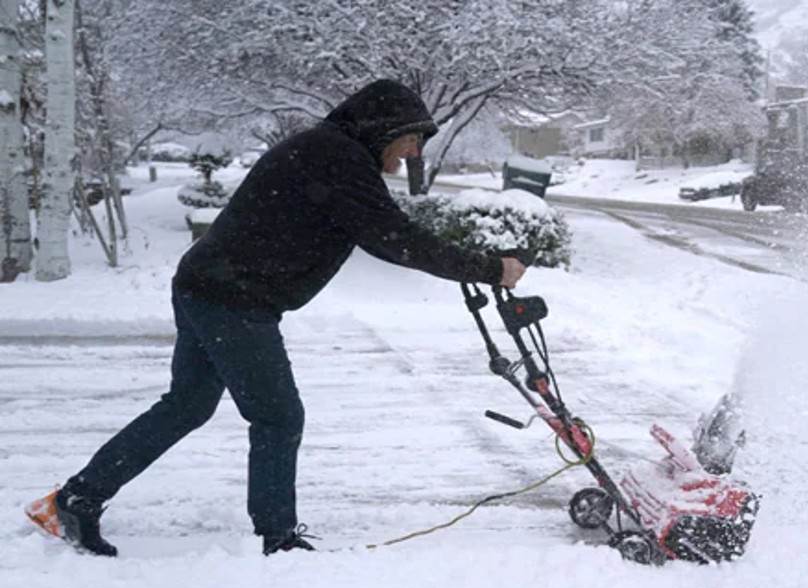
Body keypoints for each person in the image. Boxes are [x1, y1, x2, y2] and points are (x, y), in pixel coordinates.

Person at [24, 79, 526, 557]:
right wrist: (487, 269)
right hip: (232, 298)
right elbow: (393, 238)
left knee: (187, 406)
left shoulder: (332, 152)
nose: (415, 153)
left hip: (210, 285)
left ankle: (74, 500)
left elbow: (391, 230)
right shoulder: (337, 157)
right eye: (412, 140)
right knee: (278, 416)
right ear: (384, 129)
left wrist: (475, 264)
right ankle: (277, 537)